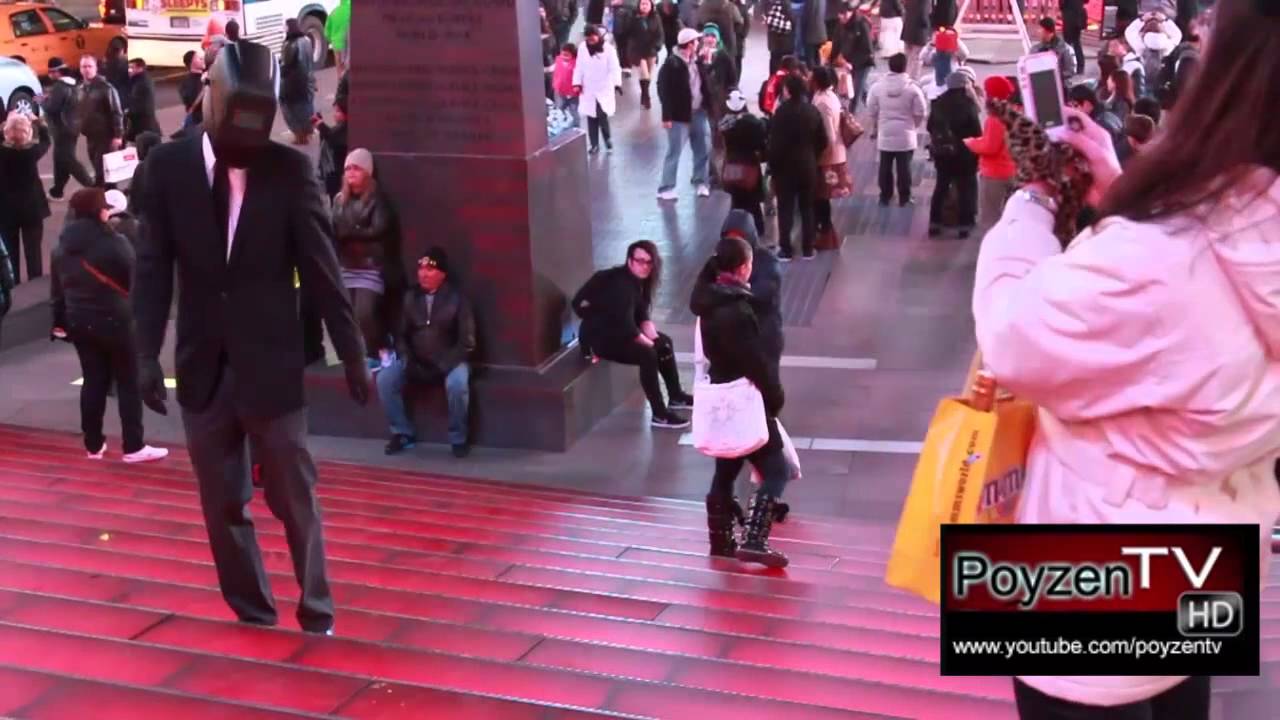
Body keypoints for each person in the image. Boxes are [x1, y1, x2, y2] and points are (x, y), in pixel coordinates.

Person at [973, 0, 1280, 715]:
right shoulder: (1230, 236)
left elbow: (1013, 337)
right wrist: (1123, 190)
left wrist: (1033, 205)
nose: (1199, 31)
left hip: (1089, 563)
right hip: (1210, 542)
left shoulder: (1155, 258)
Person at [133, 40, 372, 636]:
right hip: (203, 368)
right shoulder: (167, 169)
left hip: (271, 367)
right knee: (221, 506)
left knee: (294, 498)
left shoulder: (290, 171)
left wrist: (352, 354)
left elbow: (322, 270)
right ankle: (253, 614)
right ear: (211, 101)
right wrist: (144, 354)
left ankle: (316, 611)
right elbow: (153, 268)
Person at [689, 233, 790, 567]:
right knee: (776, 469)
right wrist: (774, 396)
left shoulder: (707, 301)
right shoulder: (736, 309)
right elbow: (755, 363)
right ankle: (755, 539)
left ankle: (720, 541)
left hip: (719, 395)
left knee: (726, 468)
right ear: (745, 267)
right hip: (744, 398)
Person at [52, 189, 168, 464]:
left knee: (93, 381)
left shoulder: (61, 247)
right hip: (117, 321)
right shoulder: (115, 243)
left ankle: (93, 445)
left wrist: (59, 322)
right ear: (99, 211)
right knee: (128, 381)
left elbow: (57, 291)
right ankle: (133, 446)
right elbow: (135, 282)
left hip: (79, 321)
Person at [573, 241, 693, 429]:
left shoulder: (638, 282)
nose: (645, 266)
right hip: (601, 339)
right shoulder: (620, 284)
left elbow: (642, 316)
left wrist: (656, 340)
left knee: (665, 342)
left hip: (620, 331)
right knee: (648, 355)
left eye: (649, 262)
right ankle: (659, 414)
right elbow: (627, 327)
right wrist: (596, 316)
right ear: (629, 260)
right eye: (640, 261)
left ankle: (676, 395)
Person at [377, 247, 476, 458]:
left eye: (429, 270)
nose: (423, 274)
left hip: (449, 360)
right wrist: (407, 358)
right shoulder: (410, 297)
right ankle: (402, 433)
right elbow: (401, 335)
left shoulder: (458, 299)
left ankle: (458, 438)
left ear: (442, 274)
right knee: (385, 379)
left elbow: (467, 342)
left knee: (458, 384)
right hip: (415, 360)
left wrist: (443, 365)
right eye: (421, 269)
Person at [332, 148, 403, 366]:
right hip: (346, 265)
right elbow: (334, 228)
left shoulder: (376, 199)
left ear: (367, 172)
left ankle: (381, 350)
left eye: (356, 168)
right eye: (347, 169)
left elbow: (380, 228)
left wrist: (350, 232)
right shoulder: (339, 200)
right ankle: (361, 355)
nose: (351, 173)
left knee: (365, 312)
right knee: (347, 316)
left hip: (370, 266)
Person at [768, 73, 828, 260]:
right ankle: (808, 249)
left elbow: (774, 144)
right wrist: (813, 155)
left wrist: (772, 167)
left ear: (788, 90)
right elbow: (823, 140)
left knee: (785, 208)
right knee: (807, 208)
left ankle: (785, 249)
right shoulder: (812, 111)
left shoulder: (781, 113)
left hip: (784, 168)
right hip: (807, 166)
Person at [656, 28, 713, 201]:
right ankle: (666, 187)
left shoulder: (697, 61)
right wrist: (666, 116)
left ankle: (701, 182)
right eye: (696, 41)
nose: (699, 44)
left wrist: (707, 64)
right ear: (689, 44)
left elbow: (705, 84)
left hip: (699, 112)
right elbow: (663, 90)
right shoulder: (672, 64)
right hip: (678, 116)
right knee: (674, 151)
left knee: (703, 149)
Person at [926, 71, 982, 238]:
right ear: (963, 86)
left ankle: (934, 223)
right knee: (966, 189)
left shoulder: (938, 103)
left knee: (941, 187)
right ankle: (965, 225)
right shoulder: (968, 104)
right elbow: (977, 132)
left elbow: (930, 127)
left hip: (943, 154)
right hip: (965, 155)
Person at [868, 52, 927, 207]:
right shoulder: (913, 88)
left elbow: (871, 108)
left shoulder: (877, 87)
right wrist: (914, 125)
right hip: (906, 133)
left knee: (885, 166)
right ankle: (904, 198)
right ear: (905, 67)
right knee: (904, 167)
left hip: (885, 132)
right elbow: (921, 111)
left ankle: (885, 196)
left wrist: (876, 125)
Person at [0, 112, 51, 285]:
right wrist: (38, 122)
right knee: (34, 252)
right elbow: (46, 140)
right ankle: (34, 285)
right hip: (32, 209)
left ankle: (14, 285)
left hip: (6, 210)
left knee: (10, 252)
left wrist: (6, 124)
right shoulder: (32, 153)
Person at [964, 75, 1018, 229]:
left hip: (995, 174)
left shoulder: (995, 119)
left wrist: (972, 143)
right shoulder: (1013, 112)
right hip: (1012, 170)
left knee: (990, 218)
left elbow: (990, 147)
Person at [42, 58, 94, 200]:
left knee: (69, 160)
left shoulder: (59, 87)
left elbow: (52, 108)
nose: (49, 75)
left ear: (57, 72)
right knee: (60, 160)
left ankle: (93, 187)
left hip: (62, 129)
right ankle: (56, 191)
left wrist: (42, 101)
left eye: (51, 72)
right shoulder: (74, 84)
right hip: (73, 127)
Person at [719, 89, 769, 235]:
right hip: (750, 166)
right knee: (753, 202)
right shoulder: (753, 123)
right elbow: (762, 142)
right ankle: (757, 230)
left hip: (731, 164)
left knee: (736, 200)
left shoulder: (724, 124)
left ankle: (735, 229)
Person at [75, 55, 125, 188]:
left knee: (104, 172)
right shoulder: (80, 89)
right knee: (98, 168)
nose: (87, 69)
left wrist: (118, 135)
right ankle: (106, 194)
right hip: (90, 136)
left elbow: (116, 112)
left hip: (105, 136)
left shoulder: (106, 88)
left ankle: (107, 196)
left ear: (96, 68)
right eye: (84, 66)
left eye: (89, 66)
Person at [573, 25, 623, 155]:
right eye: (588, 39)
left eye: (592, 38)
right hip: (588, 87)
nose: (590, 41)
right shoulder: (582, 48)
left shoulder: (609, 49)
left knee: (602, 114)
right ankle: (594, 144)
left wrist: (617, 83)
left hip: (603, 87)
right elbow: (579, 66)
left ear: (598, 36)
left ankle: (607, 139)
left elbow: (614, 67)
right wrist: (577, 83)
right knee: (591, 116)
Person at [280, 18, 317, 145]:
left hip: (293, 84)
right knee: (306, 107)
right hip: (307, 81)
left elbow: (285, 66)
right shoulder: (306, 40)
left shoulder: (289, 44)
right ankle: (308, 132)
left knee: (290, 109)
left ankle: (299, 135)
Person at [126, 59, 161, 143]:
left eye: (131, 67)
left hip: (143, 127)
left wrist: (126, 112)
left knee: (143, 148)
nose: (129, 70)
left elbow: (138, 104)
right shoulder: (139, 80)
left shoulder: (141, 83)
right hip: (144, 125)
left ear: (140, 68)